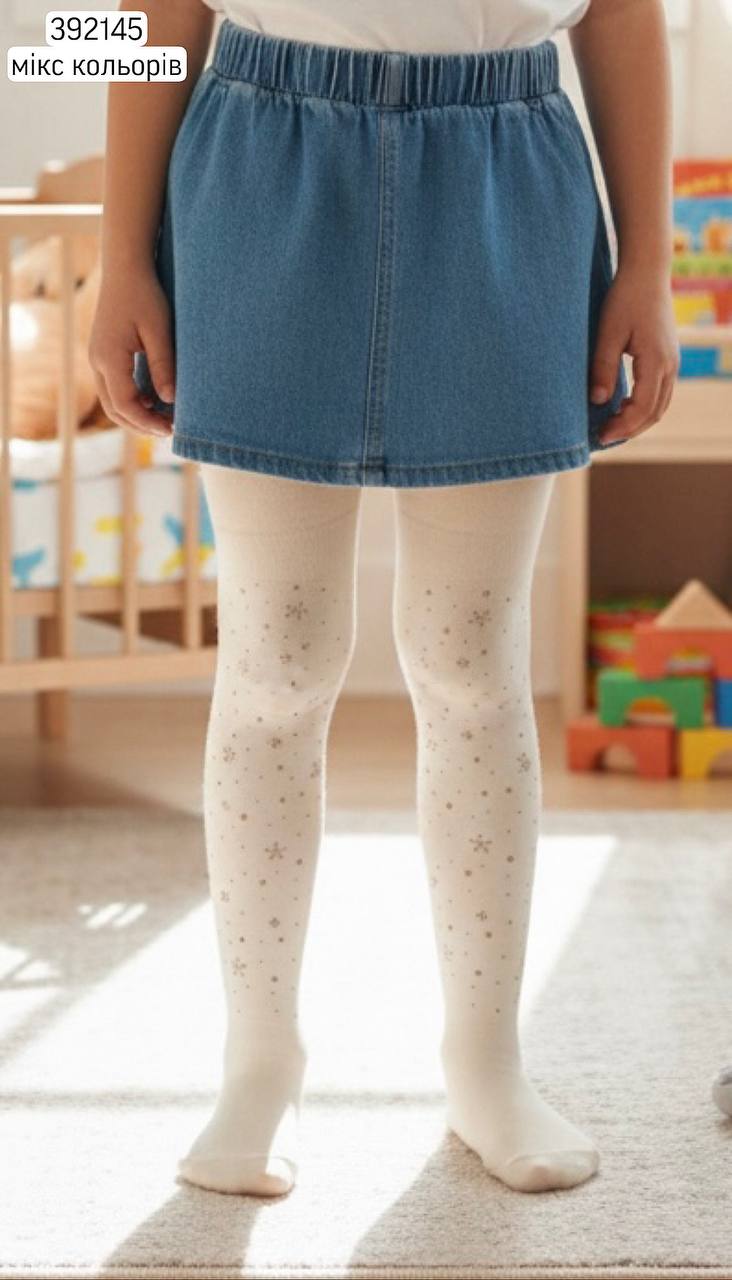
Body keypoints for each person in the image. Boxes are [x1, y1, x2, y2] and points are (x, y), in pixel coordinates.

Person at [90, 0, 679, 1198]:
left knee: (472, 665)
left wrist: (652, 265)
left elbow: (626, 10)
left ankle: (486, 1060)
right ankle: (259, 1059)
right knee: (276, 660)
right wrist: (120, 254)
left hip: (507, 174)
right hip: (260, 170)